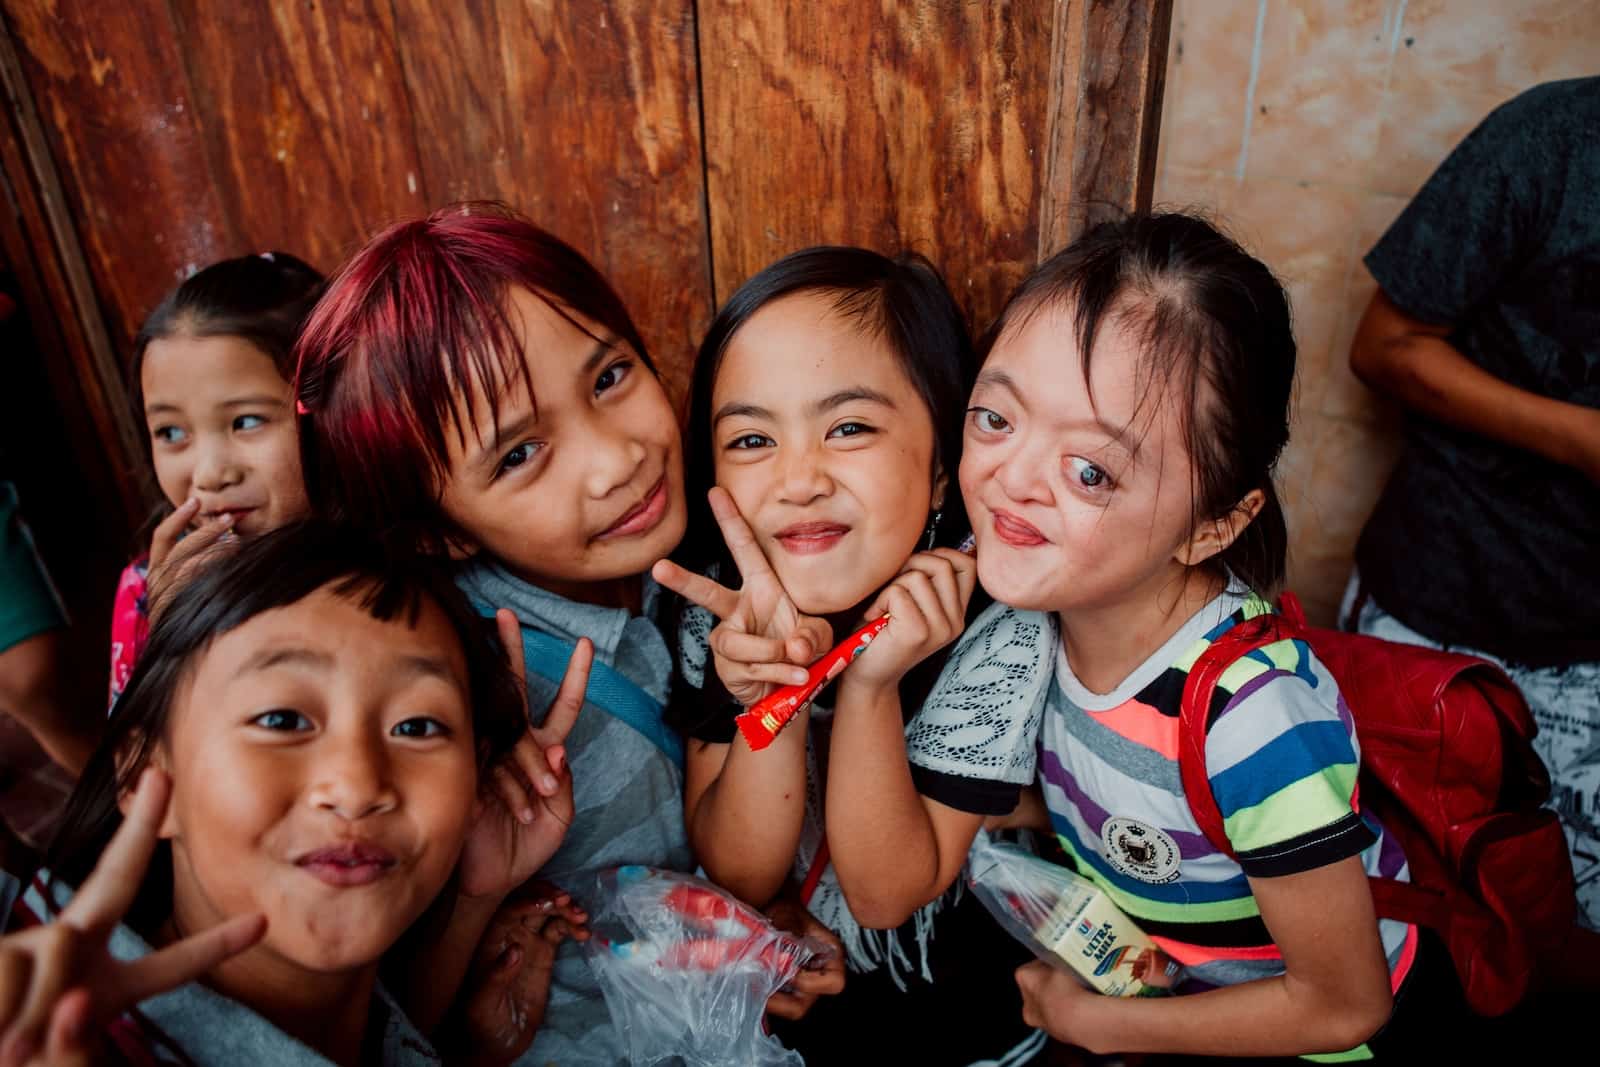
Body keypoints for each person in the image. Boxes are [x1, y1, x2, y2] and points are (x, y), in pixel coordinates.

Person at [826, 214, 1434, 1059]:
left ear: (1215, 523)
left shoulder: (1251, 718)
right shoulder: (1032, 625)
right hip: (1166, 989)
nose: (1011, 480)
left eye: (1091, 471)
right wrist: (866, 682)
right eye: (996, 418)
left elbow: (1343, 1005)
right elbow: (892, 883)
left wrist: (1098, 1022)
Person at [293, 203, 844, 1065]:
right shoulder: (463, 690)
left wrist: (755, 939)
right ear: (439, 529)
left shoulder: (703, 556)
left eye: (610, 377)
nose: (616, 458)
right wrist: (479, 901)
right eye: (519, 455)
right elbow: (382, 1020)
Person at [655, 247, 1042, 1064]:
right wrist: (777, 685)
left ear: (942, 467)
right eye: (753, 439)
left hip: (958, 1029)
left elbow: (883, 892)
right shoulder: (714, 612)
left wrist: (870, 685)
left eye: (849, 427)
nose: (798, 479)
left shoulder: (1003, 628)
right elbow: (744, 873)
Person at [0, 521, 574, 1065]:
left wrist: (473, 913)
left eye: (418, 727)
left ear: (474, 775)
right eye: (280, 720)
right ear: (144, 772)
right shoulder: (48, 1022)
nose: (355, 787)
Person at [1342, 76, 1600, 932]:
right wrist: (1582, 440)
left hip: (1591, 658)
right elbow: (1386, 345)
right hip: (1442, 602)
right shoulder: (1556, 138)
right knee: (1388, 917)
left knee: (1557, 939)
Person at [110, 252, 324, 706]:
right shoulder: (146, 593)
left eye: (246, 422)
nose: (208, 475)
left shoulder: (401, 566)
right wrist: (175, 629)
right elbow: (130, 758)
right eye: (171, 433)